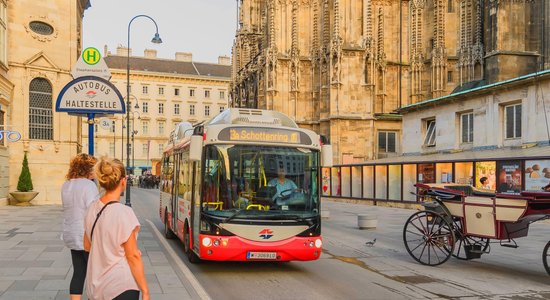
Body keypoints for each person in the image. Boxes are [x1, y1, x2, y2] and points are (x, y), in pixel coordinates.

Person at [83, 157, 149, 300]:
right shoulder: (124, 213)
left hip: (95, 287)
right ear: (123, 181)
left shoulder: (91, 209)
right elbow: (133, 256)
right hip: (121, 286)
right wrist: (145, 291)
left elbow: (87, 246)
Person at [61, 153, 98, 300]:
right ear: (87, 169)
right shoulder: (89, 185)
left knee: (78, 272)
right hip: (86, 235)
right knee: (93, 274)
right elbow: (92, 211)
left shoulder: (67, 185)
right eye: (94, 168)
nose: (96, 171)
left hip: (71, 233)